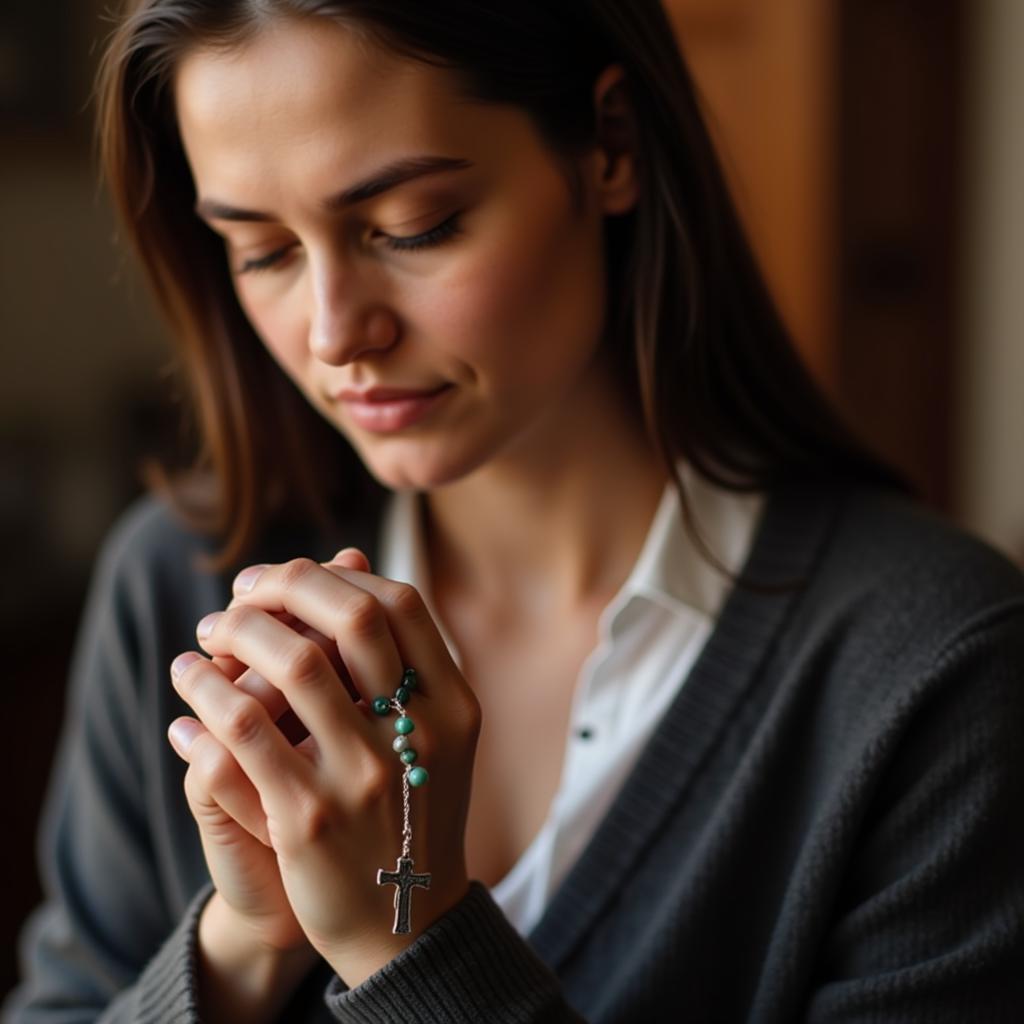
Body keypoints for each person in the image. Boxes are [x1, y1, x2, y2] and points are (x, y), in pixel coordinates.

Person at [7, 1, 1024, 1021]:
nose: (333, 332)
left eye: (413, 227)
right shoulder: (181, 581)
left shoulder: (937, 669)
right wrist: (238, 944)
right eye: (262, 249)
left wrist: (402, 941)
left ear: (609, 146)